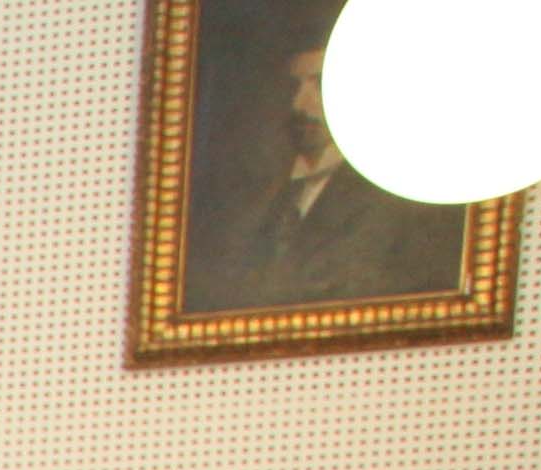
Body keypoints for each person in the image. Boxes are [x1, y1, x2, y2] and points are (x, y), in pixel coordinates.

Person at [190, 30, 458, 311]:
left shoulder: (400, 199)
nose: (299, 105)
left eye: (319, 85)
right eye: (294, 88)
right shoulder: (258, 199)